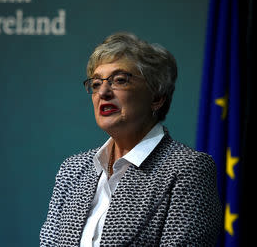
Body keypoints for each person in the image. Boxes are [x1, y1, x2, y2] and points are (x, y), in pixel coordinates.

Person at [40, 32, 222, 246]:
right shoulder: (73, 170)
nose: (103, 92)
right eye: (96, 83)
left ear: (156, 97)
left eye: (119, 80)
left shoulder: (187, 170)